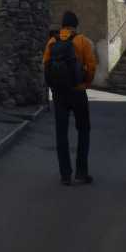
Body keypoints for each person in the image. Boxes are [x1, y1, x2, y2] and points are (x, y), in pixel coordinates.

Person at [43, 11, 97, 185]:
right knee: (83, 130)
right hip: (78, 91)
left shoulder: (52, 42)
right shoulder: (82, 41)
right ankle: (81, 172)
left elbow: (45, 65)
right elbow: (91, 65)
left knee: (61, 133)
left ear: (62, 25)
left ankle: (65, 174)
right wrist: (85, 83)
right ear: (75, 25)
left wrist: (52, 85)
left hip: (59, 93)